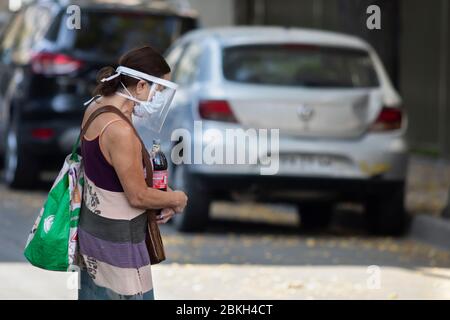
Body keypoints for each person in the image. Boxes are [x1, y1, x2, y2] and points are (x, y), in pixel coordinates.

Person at [77, 46, 188, 300]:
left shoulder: (96, 108)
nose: (159, 97)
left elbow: (110, 174)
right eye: (159, 89)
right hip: (119, 247)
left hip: (94, 238)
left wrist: (162, 193)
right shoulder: (120, 130)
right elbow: (137, 196)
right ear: (140, 86)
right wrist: (177, 199)